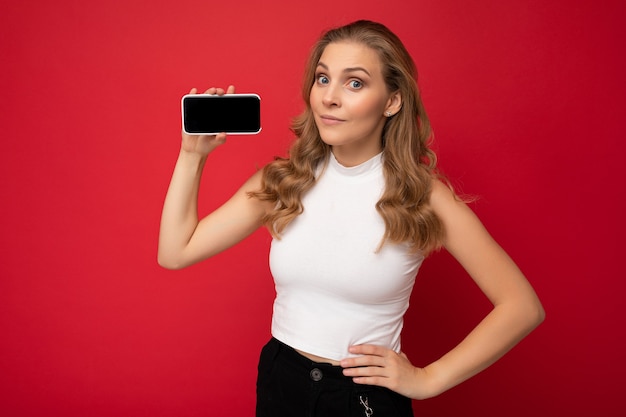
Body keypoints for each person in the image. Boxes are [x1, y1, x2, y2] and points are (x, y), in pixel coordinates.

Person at [158, 20, 545, 417]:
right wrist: (192, 156)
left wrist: (430, 378)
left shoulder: (423, 198)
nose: (330, 97)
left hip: (362, 400)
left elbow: (521, 306)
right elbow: (175, 252)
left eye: (355, 83)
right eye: (323, 79)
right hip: (281, 381)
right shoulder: (284, 181)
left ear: (392, 101)